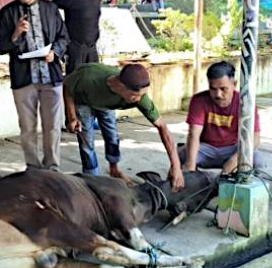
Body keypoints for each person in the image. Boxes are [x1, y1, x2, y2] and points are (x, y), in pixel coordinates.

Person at [64, 62, 184, 190]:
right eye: (135, 95)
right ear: (120, 85)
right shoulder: (88, 77)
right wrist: (72, 118)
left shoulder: (139, 97)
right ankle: (92, 179)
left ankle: (114, 170)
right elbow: (67, 87)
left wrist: (176, 166)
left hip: (107, 104)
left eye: (142, 95)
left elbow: (162, 127)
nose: (139, 100)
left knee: (112, 135)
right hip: (84, 101)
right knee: (86, 142)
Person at [0, 0, 69, 171]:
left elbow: (64, 37)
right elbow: (1, 47)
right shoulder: (7, 12)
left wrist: (55, 53)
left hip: (50, 76)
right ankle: (33, 168)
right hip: (24, 78)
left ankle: (52, 167)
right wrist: (16, 34)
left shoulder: (50, 9)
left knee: (52, 127)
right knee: (27, 128)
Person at [180, 61, 263, 173]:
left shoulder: (246, 103)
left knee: (256, 159)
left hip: (232, 149)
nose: (218, 94)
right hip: (206, 149)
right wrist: (190, 165)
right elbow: (193, 134)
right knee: (180, 154)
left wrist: (234, 160)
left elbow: (255, 138)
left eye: (223, 89)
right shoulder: (199, 100)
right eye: (213, 89)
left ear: (234, 84)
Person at [53, 0, 111, 74]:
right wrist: (60, 29)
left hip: (92, 47)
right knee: (75, 79)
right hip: (76, 47)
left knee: (93, 76)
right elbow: (52, 6)